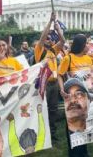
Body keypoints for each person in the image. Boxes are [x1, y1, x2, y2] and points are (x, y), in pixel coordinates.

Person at [58, 34, 93, 157]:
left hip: (85, 96)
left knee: (84, 123)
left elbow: (90, 76)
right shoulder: (69, 58)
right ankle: (73, 152)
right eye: (87, 43)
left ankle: (84, 151)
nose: (89, 45)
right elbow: (60, 74)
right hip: (72, 96)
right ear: (82, 45)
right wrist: (62, 89)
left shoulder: (88, 59)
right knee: (73, 123)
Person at [34, 12, 65, 141]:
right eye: (46, 38)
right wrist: (49, 22)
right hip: (44, 83)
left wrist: (57, 29)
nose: (48, 40)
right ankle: (42, 132)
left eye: (50, 38)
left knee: (53, 109)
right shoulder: (39, 50)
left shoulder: (53, 50)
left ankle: (52, 133)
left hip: (54, 83)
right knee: (43, 108)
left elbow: (62, 41)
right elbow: (42, 38)